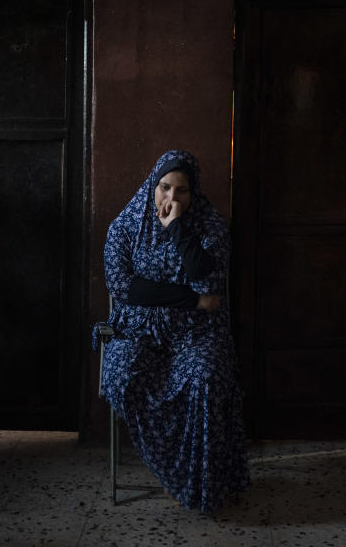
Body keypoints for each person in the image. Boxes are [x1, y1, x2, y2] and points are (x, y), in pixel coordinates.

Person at [95, 149, 249, 514]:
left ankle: (196, 483)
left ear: (192, 193)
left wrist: (178, 230)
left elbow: (208, 280)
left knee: (207, 377)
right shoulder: (126, 227)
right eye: (165, 188)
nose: (171, 198)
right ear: (153, 186)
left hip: (197, 333)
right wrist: (192, 300)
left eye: (181, 191)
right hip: (138, 329)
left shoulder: (209, 227)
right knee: (123, 372)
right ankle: (170, 473)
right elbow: (123, 288)